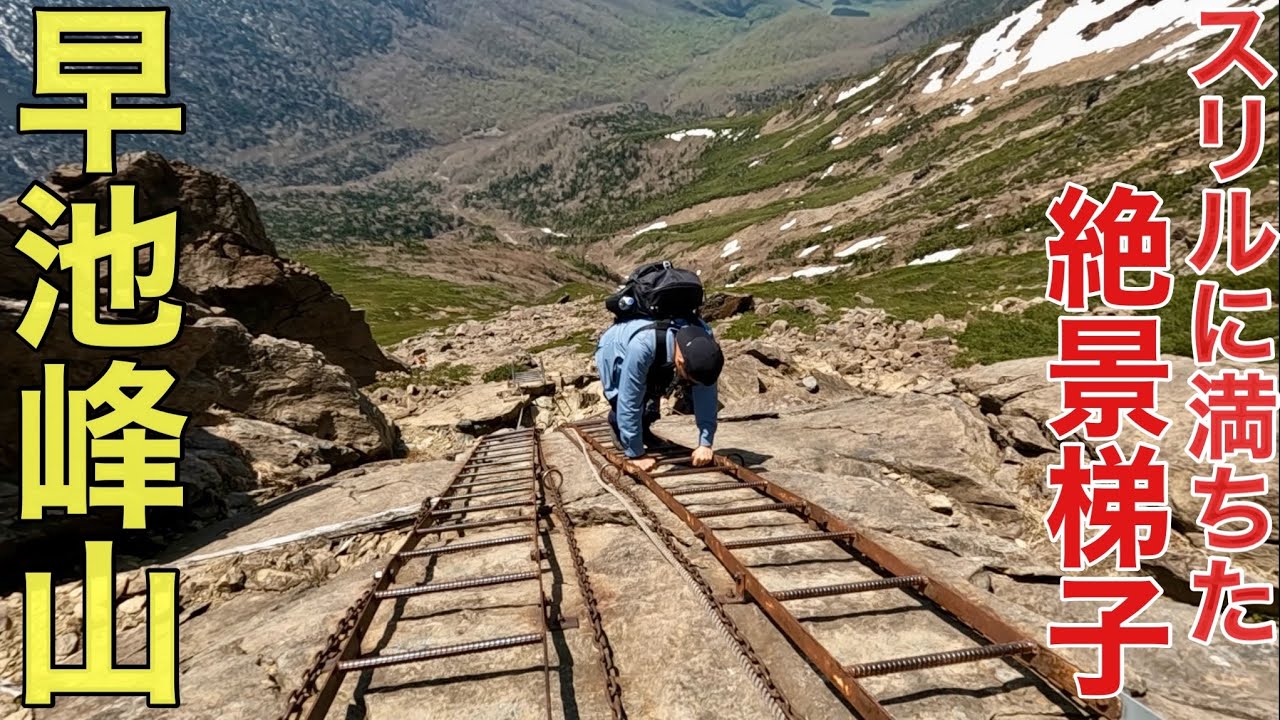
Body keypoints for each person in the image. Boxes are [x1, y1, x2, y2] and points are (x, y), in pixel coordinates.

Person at [595, 317, 724, 471]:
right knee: (623, 399)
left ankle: (644, 430)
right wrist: (637, 455)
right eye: (690, 380)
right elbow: (628, 399)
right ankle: (616, 424)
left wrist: (705, 443)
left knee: (656, 388)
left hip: (658, 350)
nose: (691, 385)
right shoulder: (643, 345)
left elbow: (706, 396)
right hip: (615, 349)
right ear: (680, 362)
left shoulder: (705, 342)